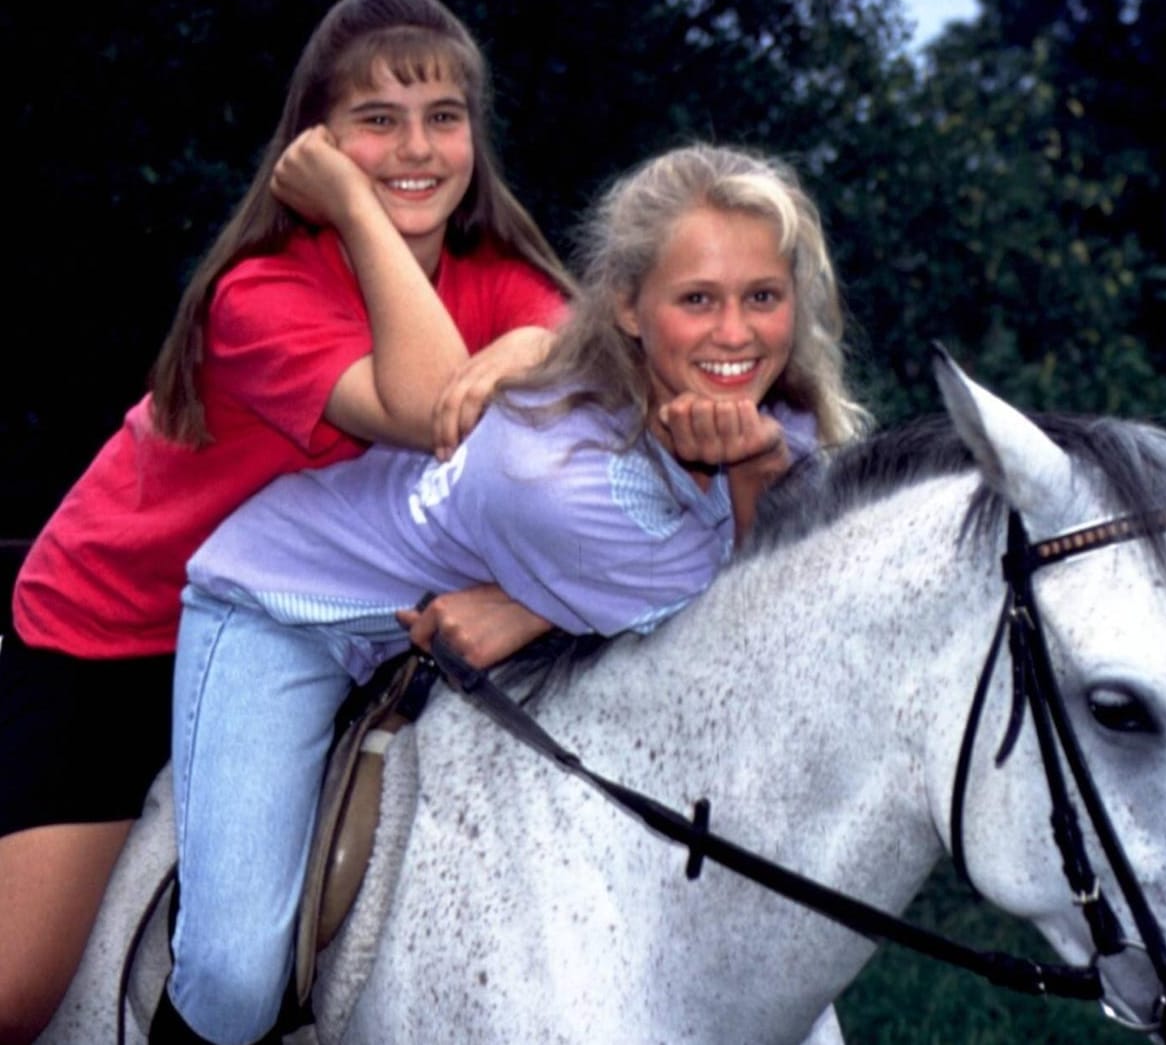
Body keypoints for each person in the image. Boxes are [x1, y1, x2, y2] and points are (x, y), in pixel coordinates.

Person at [155, 142, 870, 1044]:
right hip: (286, 605)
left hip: (443, 612)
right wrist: (556, 596)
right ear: (627, 307)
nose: (735, 334)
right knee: (232, 978)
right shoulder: (551, 469)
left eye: (761, 297)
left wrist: (534, 603)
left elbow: (781, 626)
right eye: (697, 299)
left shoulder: (783, 423)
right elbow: (739, 624)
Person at [0, 0, 574, 1041]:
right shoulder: (260, 293)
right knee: (18, 988)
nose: (416, 146)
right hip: (120, 630)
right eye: (376, 120)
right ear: (315, 144)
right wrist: (360, 215)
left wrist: (537, 345)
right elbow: (427, 406)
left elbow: (597, 377)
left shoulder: (497, 277)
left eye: (444, 117)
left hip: (320, 620)